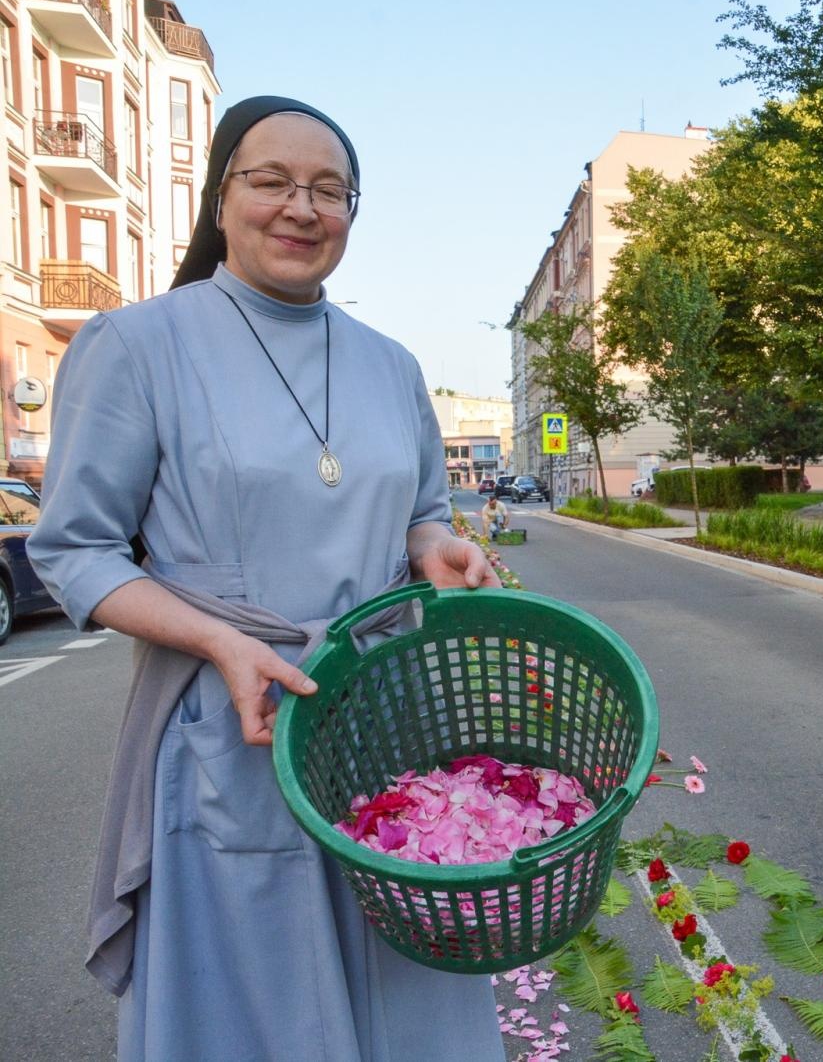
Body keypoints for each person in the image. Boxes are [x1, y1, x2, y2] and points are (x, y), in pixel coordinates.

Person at [28, 97, 505, 1061]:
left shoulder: (391, 365)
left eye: (330, 190)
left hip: (383, 726)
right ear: (219, 199)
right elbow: (74, 550)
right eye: (272, 182)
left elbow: (418, 509)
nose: (302, 208)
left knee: (405, 993)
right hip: (234, 727)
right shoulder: (136, 346)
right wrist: (218, 639)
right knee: (260, 1015)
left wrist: (432, 548)